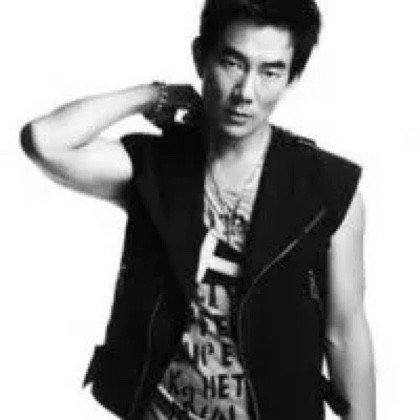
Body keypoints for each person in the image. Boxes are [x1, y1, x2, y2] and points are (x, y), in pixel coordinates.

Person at [20, 0, 376, 419]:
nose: (246, 92)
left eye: (270, 72)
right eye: (232, 63)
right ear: (200, 58)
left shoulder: (327, 189)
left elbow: (344, 332)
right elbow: (46, 141)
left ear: (291, 77)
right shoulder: (154, 167)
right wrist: (155, 94)